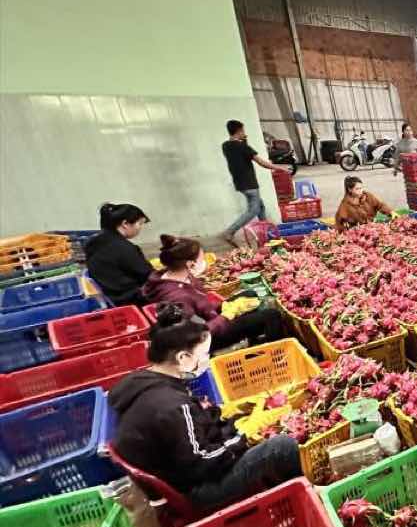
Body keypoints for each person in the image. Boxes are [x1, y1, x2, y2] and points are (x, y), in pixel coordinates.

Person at [109, 303, 301, 511]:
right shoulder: (173, 407)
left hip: (179, 466)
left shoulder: (143, 379)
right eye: (205, 355)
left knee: (239, 425)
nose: (207, 361)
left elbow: (194, 425)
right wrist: (242, 436)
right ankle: (302, 492)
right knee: (281, 446)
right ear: (183, 358)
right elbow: (202, 463)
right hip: (196, 491)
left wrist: (228, 412)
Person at [142, 235, 286, 351]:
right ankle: (278, 355)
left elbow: (200, 302)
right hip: (205, 339)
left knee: (249, 294)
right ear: (189, 264)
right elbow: (198, 333)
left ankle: (253, 341)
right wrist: (226, 316)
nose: (205, 262)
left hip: (207, 317)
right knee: (271, 316)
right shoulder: (177, 296)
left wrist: (223, 305)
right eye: (201, 258)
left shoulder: (175, 275)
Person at [221, 119, 287, 247]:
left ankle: (267, 232)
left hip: (240, 183)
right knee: (254, 209)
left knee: (260, 207)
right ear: (239, 131)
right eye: (243, 131)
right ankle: (230, 231)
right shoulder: (243, 147)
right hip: (249, 183)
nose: (244, 133)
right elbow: (261, 162)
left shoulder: (226, 146)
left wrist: (244, 141)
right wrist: (279, 167)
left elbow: (240, 152)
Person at [85, 203, 153, 306]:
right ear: (125, 224)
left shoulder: (94, 242)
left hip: (112, 297)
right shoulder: (125, 249)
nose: (140, 228)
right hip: (130, 300)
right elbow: (148, 276)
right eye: (140, 223)